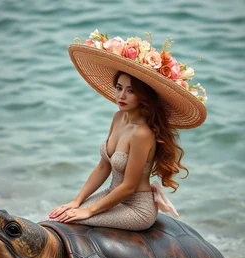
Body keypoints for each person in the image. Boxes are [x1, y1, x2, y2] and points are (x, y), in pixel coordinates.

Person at [47, 30, 207, 231]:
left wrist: (88, 211)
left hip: (136, 208)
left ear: (143, 96)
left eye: (130, 91)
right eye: (119, 87)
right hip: (111, 194)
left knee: (72, 222)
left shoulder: (143, 134)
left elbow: (129, 186)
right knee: (57, 218)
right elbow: (104, 167)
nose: (121, 95)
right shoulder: (118, 118)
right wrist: (77, 201)